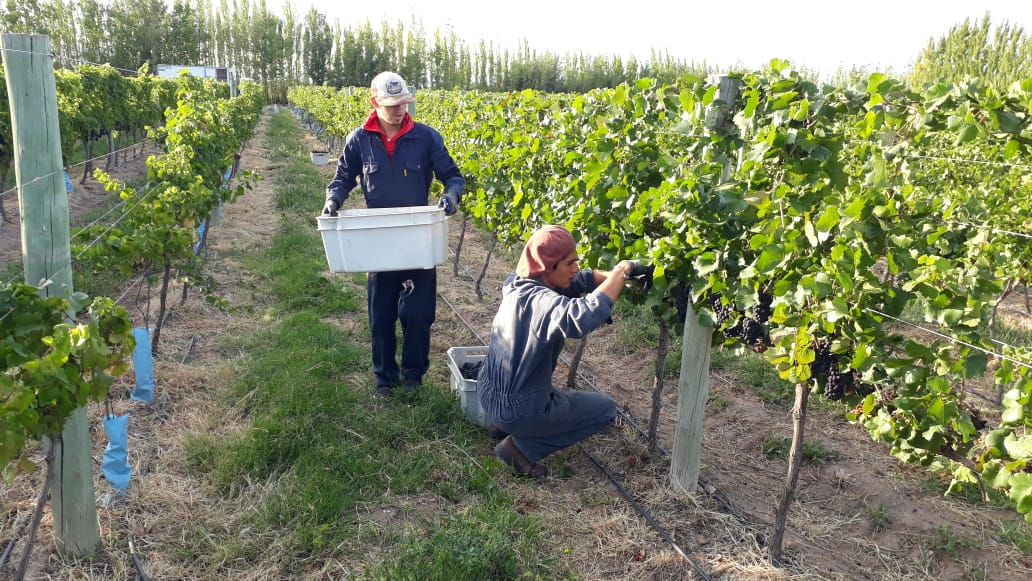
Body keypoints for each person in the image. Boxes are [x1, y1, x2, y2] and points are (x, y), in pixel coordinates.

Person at [323, 71, 465, 398]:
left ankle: (414, 378)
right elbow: (343, 178)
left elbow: (453, 176)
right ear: (374, 102)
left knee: (419, 315)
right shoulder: (359, 139)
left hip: (418, 240)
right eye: (391, 105)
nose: (399, 110)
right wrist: (333, 201)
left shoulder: (426, 137)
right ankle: (385, 381)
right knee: (382, 315)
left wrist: (451, 196)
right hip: (380, 242)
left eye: (403, 103)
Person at [477, 225, 651, 478]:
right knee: (605, 409)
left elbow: (578, 281)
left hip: (487, 393)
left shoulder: (516, 283)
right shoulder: (542, 303)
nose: (576, 268)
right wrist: (622, 270)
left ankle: (502, 424)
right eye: (570, 263)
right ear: (548, 267)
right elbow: (581, 316)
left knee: (526, 395)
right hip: (520, 410)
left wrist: (616, 280)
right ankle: (520, 448)